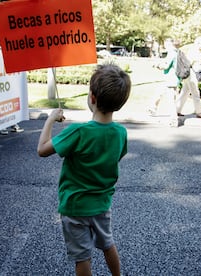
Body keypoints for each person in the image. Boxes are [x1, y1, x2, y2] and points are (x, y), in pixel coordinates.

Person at [37, 63, 131, 276]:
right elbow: (119, 155)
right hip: (102, 204)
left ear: (92, 98)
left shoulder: (78, 131)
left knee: (82, 257)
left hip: (75, 205)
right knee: (107, 244)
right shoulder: (120, 133)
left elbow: (42, 150)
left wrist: (50, 119)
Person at [151, 38, 180, 127]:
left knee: (171, 100)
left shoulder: (172, 53)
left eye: (166, 44)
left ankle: (174, 120)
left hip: (171, 80)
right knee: (159, 92)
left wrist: (157, 66)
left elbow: (166, 66)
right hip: (171, 79)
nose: (165, 46)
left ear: (170, 44)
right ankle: (152, 108)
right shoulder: (176, 52)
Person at [176, 36, 201, 119]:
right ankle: (199, 112)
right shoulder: (194, 51)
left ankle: (177, 110)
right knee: (195, 93)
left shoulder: (195, 51)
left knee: (184, 93)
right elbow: (189, 62)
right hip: (191, 74)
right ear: (198, 43)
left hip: (190, 74)